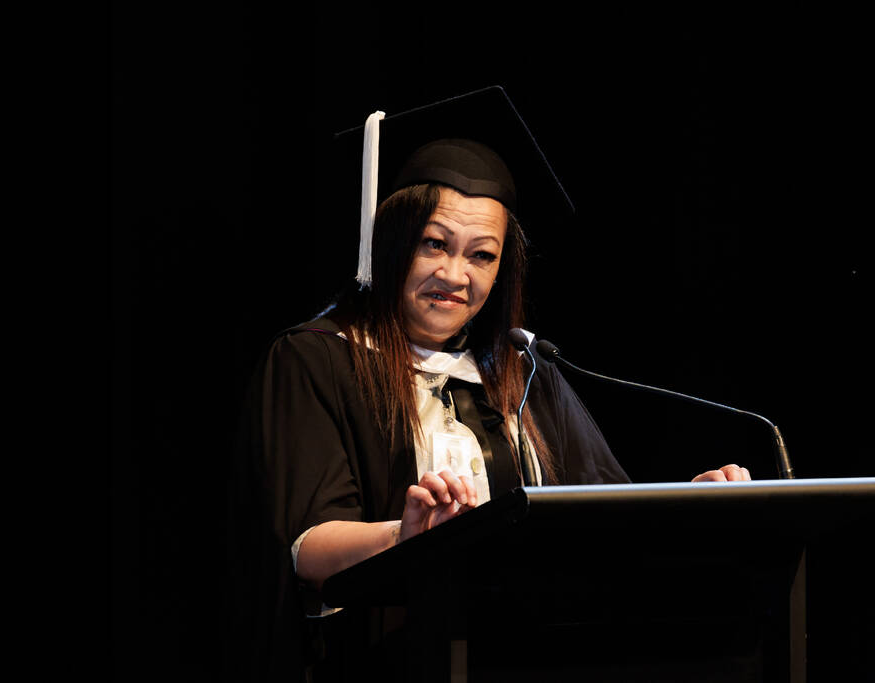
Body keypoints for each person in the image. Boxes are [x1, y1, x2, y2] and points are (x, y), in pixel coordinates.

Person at [225, 86, 751, 682]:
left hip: (529, 656)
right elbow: (306, 548)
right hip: (378, 661)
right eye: (434, 244)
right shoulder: (317, 359)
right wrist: (408, 536)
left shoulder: (521, 371)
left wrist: (689, 507)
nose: (455, 275)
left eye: (482, 256)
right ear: (391, 242)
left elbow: (600, 523)